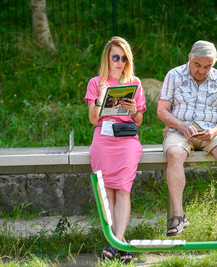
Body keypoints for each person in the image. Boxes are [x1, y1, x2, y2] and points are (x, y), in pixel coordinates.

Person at [157, 40, 217, 236]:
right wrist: (181, 125)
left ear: (215, 62)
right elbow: (162, 110)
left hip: (211, 132)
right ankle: (178, 216)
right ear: (189, 58)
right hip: (179, 131)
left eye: (208, 66)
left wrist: (214, 131)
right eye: (197, 65)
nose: (202, 70)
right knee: (175, 153)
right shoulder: (174, 75)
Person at [85, 36, 146, 262]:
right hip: (103, 138)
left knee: (122, 189)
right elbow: (92, 119)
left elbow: (139, 120)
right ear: (107, 59)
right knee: (107, 191)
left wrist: (133, 110)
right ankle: (118, 245)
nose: (119, 62)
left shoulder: (134, 82)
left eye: (124, 58)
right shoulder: (96, 82)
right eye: (115, 57)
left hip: (126, 139)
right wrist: (101, 96)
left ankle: (115, 243)